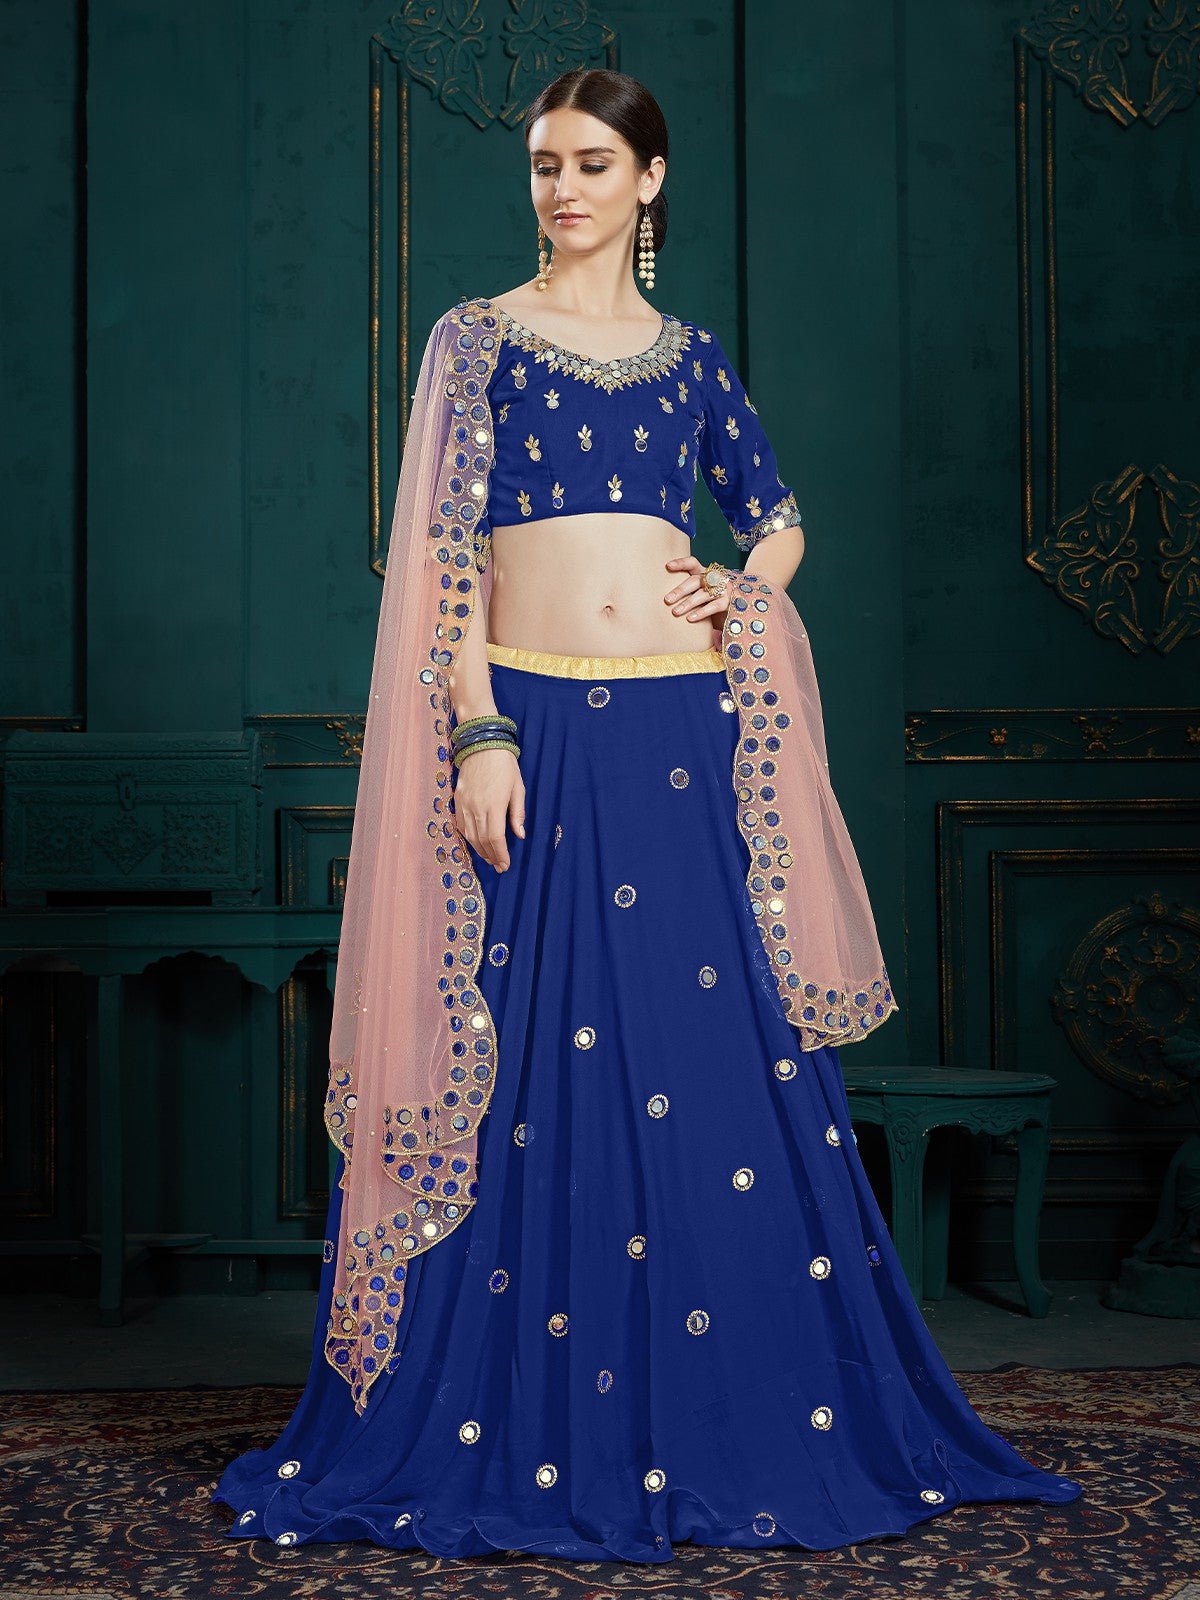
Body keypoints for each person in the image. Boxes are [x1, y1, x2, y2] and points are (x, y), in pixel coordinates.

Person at [212, 66, 1082, 1562]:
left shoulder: (692, 361)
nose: (562, 189)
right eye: (545, 164)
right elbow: (444, 563)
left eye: (592, 164)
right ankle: (508, 1419)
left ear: (650, 181)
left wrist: (745, 586)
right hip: (535, 733)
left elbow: (779, 518)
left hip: (683, 731)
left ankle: (728, 1419)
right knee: (519, 1061)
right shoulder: (477, 341)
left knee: (705, 1064)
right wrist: (480, 731)